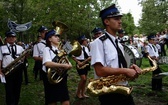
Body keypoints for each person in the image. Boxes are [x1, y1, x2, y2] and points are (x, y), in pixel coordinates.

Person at [90, 4, 142, 105]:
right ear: (106, 22)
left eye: (120, 18)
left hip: (123, 88)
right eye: (116, 18)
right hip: (109, 92)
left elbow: (118, 66)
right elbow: (99, 70)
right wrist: (125, 70)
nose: (120, 21)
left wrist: (131, 70)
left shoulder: (119, 44)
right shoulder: (98, 42)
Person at [42, 29, 72, 105]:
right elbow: (47, 63)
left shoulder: (61, 49)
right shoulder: (47, 49)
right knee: (52, 101)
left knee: (65, 101)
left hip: (61, 77)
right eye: (55, 36)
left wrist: (69, 65)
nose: (58, 38)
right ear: (49, 39)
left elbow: (67, 61)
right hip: (50, 79)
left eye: (58, 36)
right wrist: (63, 65)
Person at [0, 31, 25, 105]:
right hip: (7, 71)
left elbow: (23, 57)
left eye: (13, 37)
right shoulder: (1, 48)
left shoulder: (20, 47)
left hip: (18, 71)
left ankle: (16, 102)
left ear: (15, 38)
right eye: (9, 37)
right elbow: (0, 60)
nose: (11, 38)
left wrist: (23, 58)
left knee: (17, 89)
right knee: (9, 90)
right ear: (6, 38)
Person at [72, 35, 91, 99]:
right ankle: (78, 93)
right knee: (83, 79)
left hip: (86, 63)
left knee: (85, 80)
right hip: (80, 63)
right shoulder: (77, 47)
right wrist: (78, 62)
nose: (86, 41)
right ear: (82, 41)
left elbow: (88, 56)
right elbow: (73, 56)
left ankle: (83, 93)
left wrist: (88, 59)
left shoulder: (86, 48)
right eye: (85, 40)